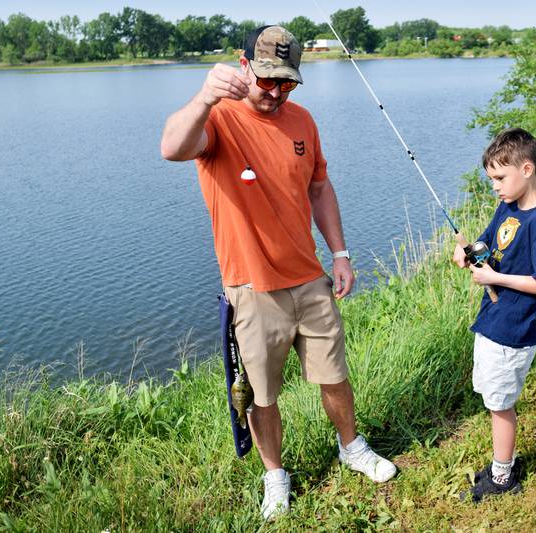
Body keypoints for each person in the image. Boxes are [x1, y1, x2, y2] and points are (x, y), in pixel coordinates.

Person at [160, 25, 396, 520]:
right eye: (265, 80)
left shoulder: (303, 121)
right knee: (261, 395)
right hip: (250, 288)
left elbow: (319, 187)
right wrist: (203, 96)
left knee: (335, 376)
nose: (273, 93)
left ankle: (351, 447)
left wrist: (341, 253)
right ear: (243, 66)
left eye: (285, 83)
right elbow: (173, 147)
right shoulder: (219, 118)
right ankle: (275, 477)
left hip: (310, 279)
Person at [453, 128, 536, 502]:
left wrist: (494, 277)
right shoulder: (507, 206)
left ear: (526, 169)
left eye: (500, 178)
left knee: (500, 406)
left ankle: (503, 477)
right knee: (493, 397)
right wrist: (469, 253)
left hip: (512, 329)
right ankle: (505, 460)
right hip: (493, 321)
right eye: (491, 180)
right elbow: (489, 242)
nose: (495, 187)